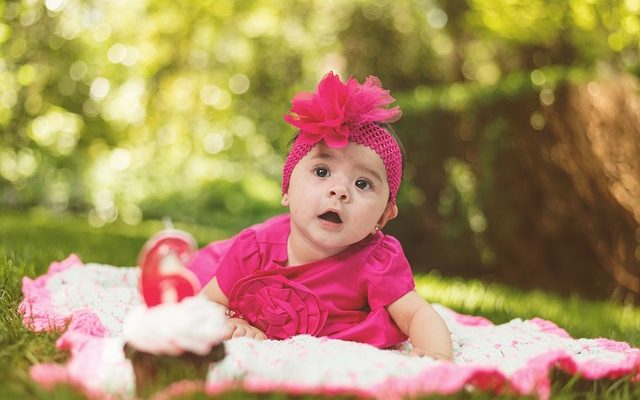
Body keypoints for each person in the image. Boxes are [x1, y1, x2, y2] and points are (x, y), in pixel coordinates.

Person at [191, 72, 452, 360]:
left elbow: (417, 314)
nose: (339, 191)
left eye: (362, 183)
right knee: (189, 278)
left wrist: (436, 356)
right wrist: (233, 322)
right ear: (287, 188)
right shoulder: (253, 251)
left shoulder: (376, 262)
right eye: (322, 172)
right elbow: (206, 303)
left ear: (384, 216)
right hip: (225, 260)